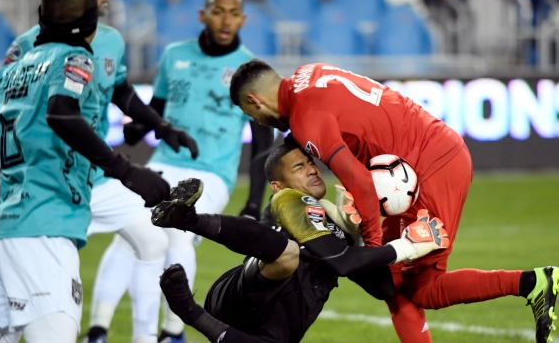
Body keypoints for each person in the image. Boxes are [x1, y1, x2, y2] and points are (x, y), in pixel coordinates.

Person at [228, 59, 559, 343]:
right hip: (418, 162)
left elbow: (362, 182)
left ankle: (535, 282)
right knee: (397, 288)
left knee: (420, 287)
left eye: (251, 114)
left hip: (429, 167)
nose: (258, 122)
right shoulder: (308, 75)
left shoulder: (305, 118)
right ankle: (533, 282)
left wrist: (373, 249)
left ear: (255, 101)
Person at [0, 0, 168, 342]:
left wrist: (6, 182)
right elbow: (61, 112)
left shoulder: (12, 68)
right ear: (91, 25)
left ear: (41, 16)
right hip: (46, 228)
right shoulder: (77, 56)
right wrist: (127, 171)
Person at [2, 0, 199, 342]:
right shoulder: (29, 46)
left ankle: (144, 338)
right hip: (50, 179)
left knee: (153, 241)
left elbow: (121, 92)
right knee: (31, 288)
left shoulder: (111, 40)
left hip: (96, 174)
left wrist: (161, 126)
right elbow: (9, 112)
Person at [86, 0, 273, 342]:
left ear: (243, 20)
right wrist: (137, 128)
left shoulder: (250, 70)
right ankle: (98, 330)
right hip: (164, 164)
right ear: (204, 15)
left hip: (212, 174)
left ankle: (172, 331)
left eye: (234, 14)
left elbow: (263, 144)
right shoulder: (175, 55)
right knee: (131, 235)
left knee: (176, 231)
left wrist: (253, 202)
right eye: (219, 13)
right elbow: (155, 110)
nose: (226, 21)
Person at [149, 141, 450, 343]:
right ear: (277, 185)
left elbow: (382, 288)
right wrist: (405, 246)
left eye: (310, 163)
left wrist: (357, 238)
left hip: (276, 325)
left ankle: (189, 311)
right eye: (298, 168)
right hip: (243, 295)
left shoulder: (337, 221)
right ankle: (189, 220)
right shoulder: (288, 198)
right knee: (288, 255)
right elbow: (342, 264)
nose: (310, 169)